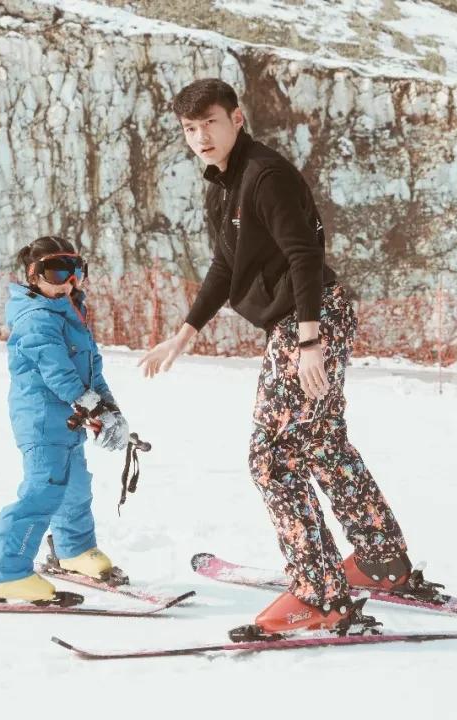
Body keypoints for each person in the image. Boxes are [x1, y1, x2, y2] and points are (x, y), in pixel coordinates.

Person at [139, 79, 417, 637]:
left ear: (237, 119)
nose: (200, 137)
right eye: (190, 129)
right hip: (301, 322)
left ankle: (319, 594)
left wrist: (309, 341)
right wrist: (185, 332)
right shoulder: (222, 185)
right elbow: (226, 263)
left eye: (210, 123)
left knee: (271, 457)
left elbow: (304, 254)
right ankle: (380, 557)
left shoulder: (265, 175)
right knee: (321, 442)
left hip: (307, 320)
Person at [0, 235, 130, 603]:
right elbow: (58, 373)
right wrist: (93, 408)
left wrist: (111, 410)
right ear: (33, 275)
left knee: (75, 486)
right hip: (42, 420)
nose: (69, 281)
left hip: (68, 421)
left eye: (76, 271)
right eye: (58, 272)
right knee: (42, 491)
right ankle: (3, 572)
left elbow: (91, 372)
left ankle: (74, 550)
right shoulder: (35, 318)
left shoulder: (70, 313)